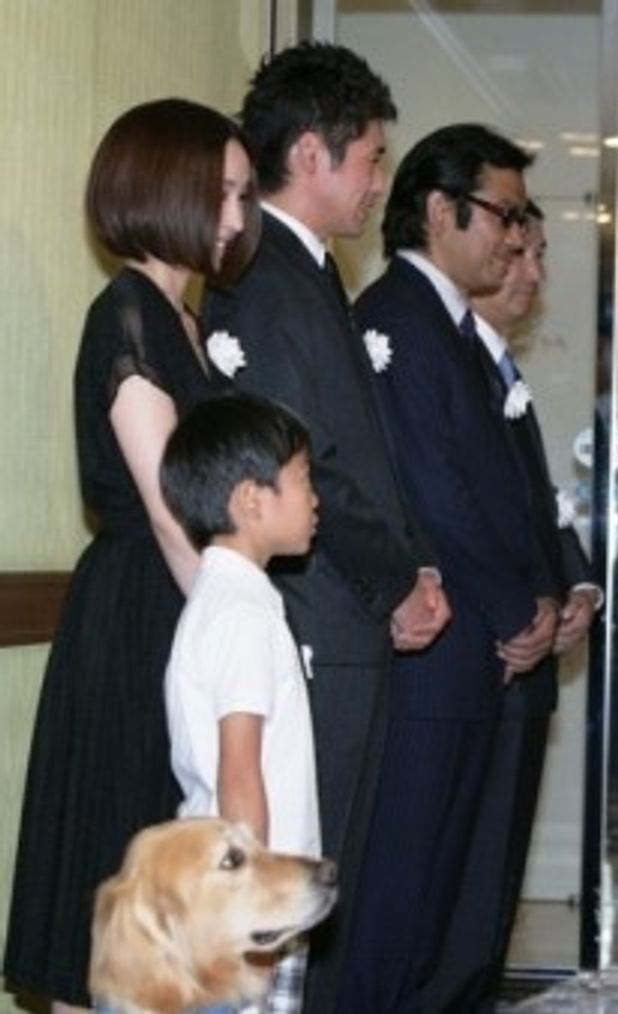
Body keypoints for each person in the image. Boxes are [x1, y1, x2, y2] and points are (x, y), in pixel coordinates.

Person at [201, 42, 451, 1012]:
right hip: (315, 621)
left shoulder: (308, 277)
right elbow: (300, 463)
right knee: (291, 884)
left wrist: (414, 565)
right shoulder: (261, 281)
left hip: (346, 619)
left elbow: (363, 460)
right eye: (373, 157)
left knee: (324, 873)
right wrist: (394, 580)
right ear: (312, 154)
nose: (377, 182)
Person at [3, 97, 256, 1013]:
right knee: (118, 899)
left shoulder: (185, 321)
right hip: (144, 618)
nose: (235, 217)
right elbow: (169, 513)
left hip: (178, 610)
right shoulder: (128, 315)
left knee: (172, 912)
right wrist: (230, 647)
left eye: (241, 195)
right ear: (164, 190)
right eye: (220, 193)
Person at [339, 123, 557, 1011]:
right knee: (403, 906)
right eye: (502, 214)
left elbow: (502, 493)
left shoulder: (457, 332)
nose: (514, 237)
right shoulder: (396, 319)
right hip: (434, 662)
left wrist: (542, 598)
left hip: (476, 654)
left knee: (450, 910)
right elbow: (433, 491)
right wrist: (516, 609)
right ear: (440, 210)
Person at [420, 202, 600, 1011]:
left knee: (489, 887)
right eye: (516, 252)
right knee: (451, 889)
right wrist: (515, 610)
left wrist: (579, 587)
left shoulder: (502, 373)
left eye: (537, 257)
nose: (529, 274)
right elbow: (457, 511)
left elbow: (541, 507)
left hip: (523, 659)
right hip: (476, 653)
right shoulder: (440, 364)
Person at [160, 393, 321, 1013]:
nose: (314, 498)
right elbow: (239, 769)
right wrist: (255, 901)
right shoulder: (242, 615)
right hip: (250, 902)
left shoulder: (224, 601)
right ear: (251, 501)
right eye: (304, 480)